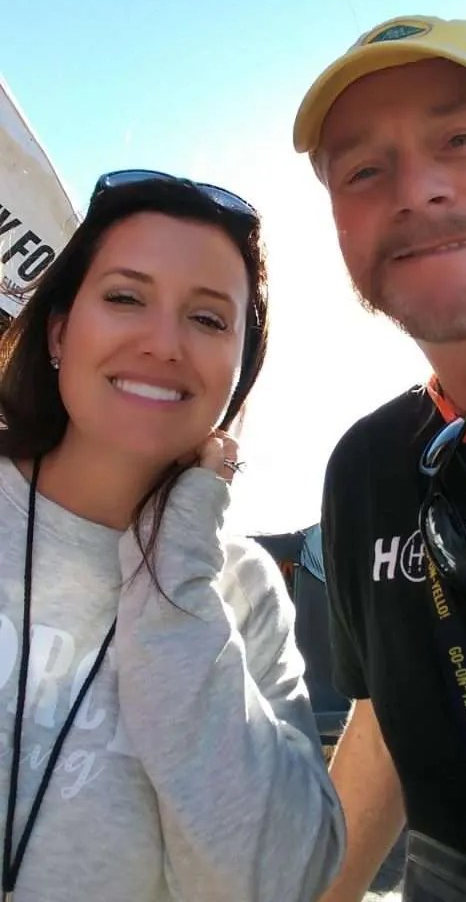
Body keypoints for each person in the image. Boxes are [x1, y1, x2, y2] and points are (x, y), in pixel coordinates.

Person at [0, 169, 345, 902]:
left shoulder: (242, 589)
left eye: (209, 319)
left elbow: (274, 880)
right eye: (126, 298)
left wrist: (179, 561)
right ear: (59, 330)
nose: (163, 344)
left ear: (239, 372)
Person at [293, 15, 466, 901]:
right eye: (363, 172)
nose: (416, 191)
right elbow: (385, 721)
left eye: (460, 139)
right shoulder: (369, 467)